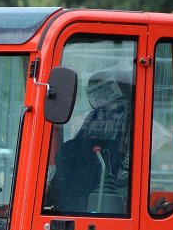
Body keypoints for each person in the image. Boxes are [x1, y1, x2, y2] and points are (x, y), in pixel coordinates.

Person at [44, 68, 133, 214]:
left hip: (107, 194)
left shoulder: (129, 119)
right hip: (84, 194)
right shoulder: (94, 117)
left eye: (102, 91)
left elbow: (124, 168)